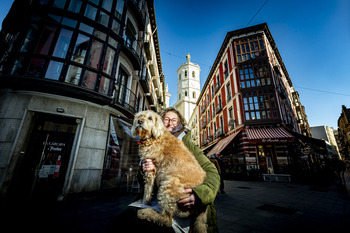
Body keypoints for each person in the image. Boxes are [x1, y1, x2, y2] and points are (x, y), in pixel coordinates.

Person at [106, 107, 220, 233]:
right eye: (166, 119)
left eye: (174, 120)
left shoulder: (190, 146)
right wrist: (143, 170)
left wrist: (200, 194)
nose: (170, 123)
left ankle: (164, 218)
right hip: (157, 199)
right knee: (118, 223)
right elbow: (144, 180)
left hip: (179, 201)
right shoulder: (150, 141)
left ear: (180, 123)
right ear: (159, 122)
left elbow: (212, 171)